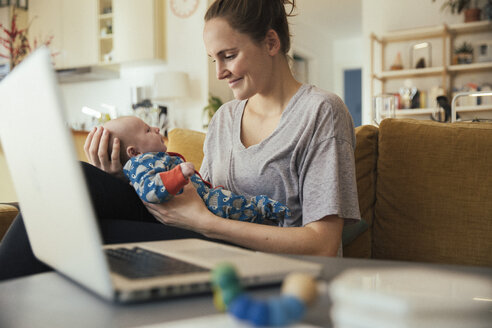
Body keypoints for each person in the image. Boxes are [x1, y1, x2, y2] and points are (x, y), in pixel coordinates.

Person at [0, 0, 360, 281]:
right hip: (210, 242)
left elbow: (323, 245)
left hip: (274, 267)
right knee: (77, 186)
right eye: (213, 58)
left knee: (88, 231)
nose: (219, 72)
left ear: (270, 41)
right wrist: (121, 176)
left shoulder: (320, 112)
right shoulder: (225, 119)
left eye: (229, 56)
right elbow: (199, 195)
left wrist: (206, 224)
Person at [104, 116, 290, 223]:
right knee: (233, 205)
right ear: (134, 152)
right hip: (203, 206)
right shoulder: (142, 164)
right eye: (147, 130)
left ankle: (262, 208)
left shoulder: (152, 160)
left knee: (233, 202)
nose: (156, 128)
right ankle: (262, 210)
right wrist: (179, 174)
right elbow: (151, 190)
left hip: (203, 200)